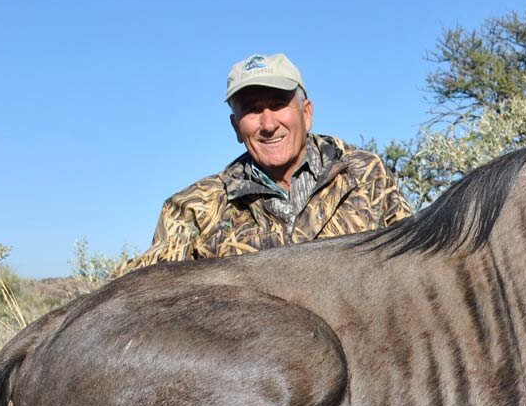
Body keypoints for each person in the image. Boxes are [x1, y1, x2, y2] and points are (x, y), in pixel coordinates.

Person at [116, 53, 411, 275]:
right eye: (252, 110)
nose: (268, 124)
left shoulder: (366, 173)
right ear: (236, 126)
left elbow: (415, 263)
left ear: (306, 113)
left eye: (278, 104)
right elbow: (136, 292)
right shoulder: (193, 208)